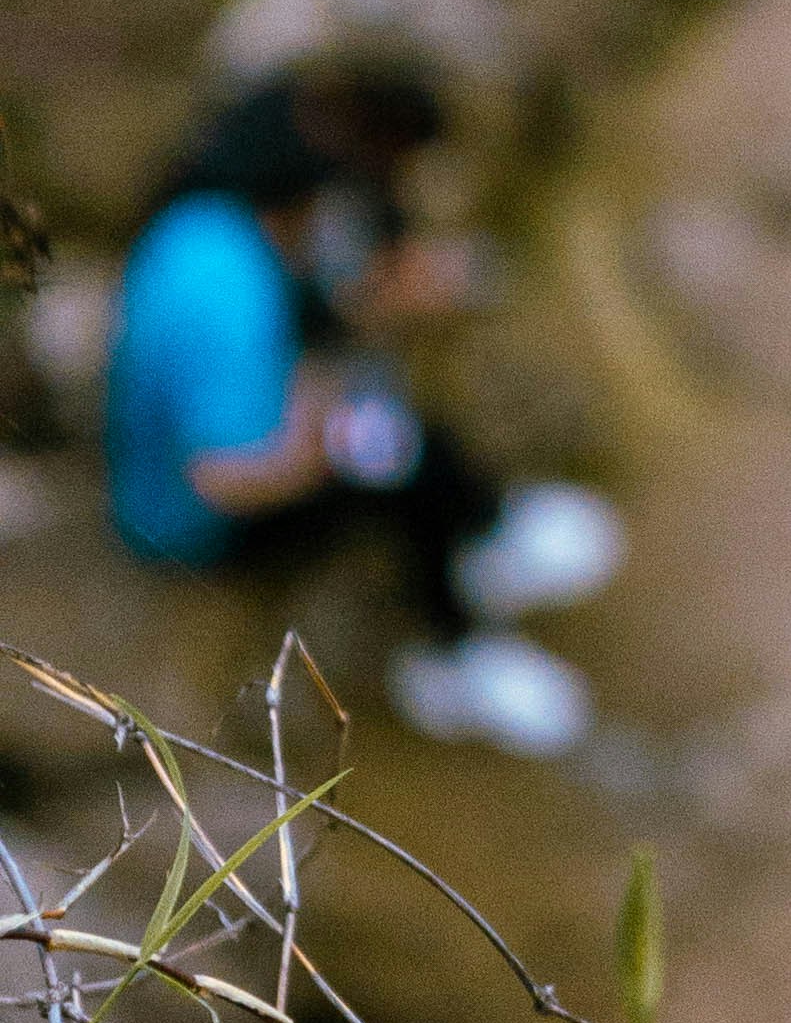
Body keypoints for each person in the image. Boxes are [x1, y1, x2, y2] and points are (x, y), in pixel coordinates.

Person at [104, 66, 622, 757]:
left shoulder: (206, 229)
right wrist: (319, 445)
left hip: (207, 444)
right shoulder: (229, 297)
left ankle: (484, 533)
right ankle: (452, 654)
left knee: (397, 432)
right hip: (190, 530)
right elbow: (220, 478)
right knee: (393, 465)